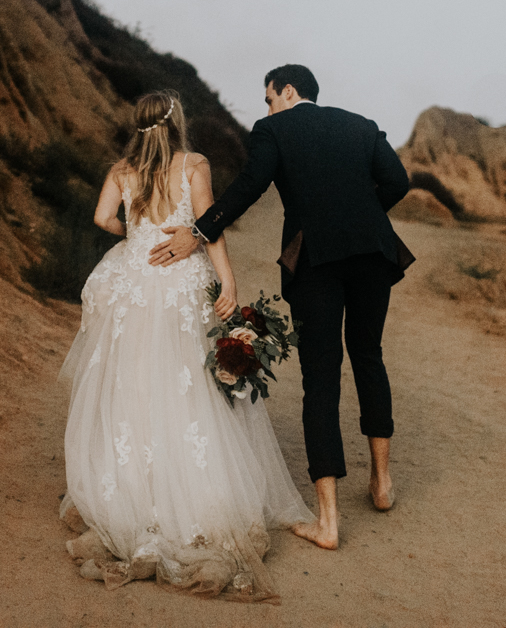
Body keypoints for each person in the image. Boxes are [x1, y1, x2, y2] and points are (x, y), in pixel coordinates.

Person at [59, 90, 313, 601]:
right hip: (178, 282)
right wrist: (229, 285)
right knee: (188, 384)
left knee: (132, 382)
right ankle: (191, 499)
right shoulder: (193, 165)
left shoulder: (122, 170)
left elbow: (101, 218)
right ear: (178, 124)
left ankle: (132, 495)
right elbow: (210, 228)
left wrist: (134, 233)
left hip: (134, 280)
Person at [147, 64, 411, 550]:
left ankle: (327, 524)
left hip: (318, 262)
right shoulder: (361, 125)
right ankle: (382, 485)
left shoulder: (274, 129)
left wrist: (200, 231)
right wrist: (359, 213)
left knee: (322, 375)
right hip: (375, 254)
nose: (266, 108)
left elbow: (249, 187)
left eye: (268, 98)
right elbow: (397, 182)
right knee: (369, 356)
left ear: (288, 92)